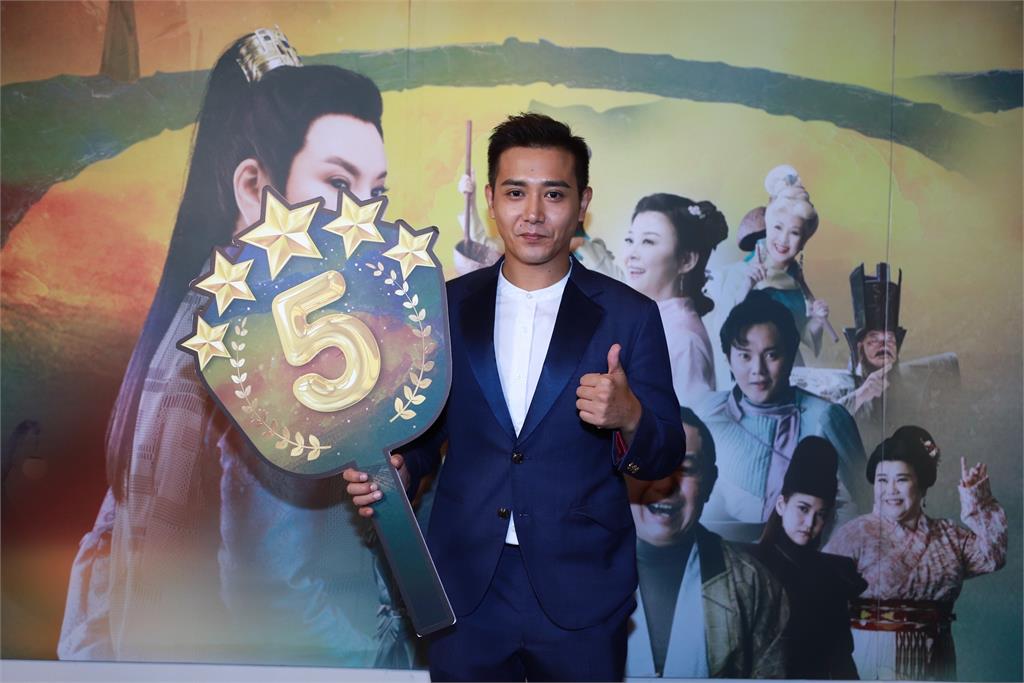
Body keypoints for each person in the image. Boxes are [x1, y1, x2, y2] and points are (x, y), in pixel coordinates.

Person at [58, 29, 401, 665]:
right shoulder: (264, 340)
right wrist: (382, 659)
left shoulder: (191, 312)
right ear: (252, 179)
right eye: (335, 177)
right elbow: (274, 589)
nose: (363, 217)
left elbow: (111, 550)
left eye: (375, 191)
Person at [344, 112, 684, 682]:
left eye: (554, 194)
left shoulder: (630, 315)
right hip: (467, 586)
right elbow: (426, 432)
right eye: (515, 192)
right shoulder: (445, 306)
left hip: (581, 589)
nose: (533, 213)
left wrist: (629, 416)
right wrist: (403, 469)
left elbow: (666, 453)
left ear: (582, 202)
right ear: (491, 201)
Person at [824, 426, 1007, 681]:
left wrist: (977, 499)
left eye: (901, 480)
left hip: (937, 658)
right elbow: (821, 598)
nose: (890, 490)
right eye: (882, 480)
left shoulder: (948, 536)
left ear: (921, 485)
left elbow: (993, 556)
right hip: (868, 656)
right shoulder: (853, 535)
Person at [625, 409, 788, 678]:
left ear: (710, 483)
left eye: (686, 469)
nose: (665, 486)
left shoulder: (753, 585)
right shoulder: (578, 574)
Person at [696, 291, 868, 543]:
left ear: (790, 355)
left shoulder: (826, 417)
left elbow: (863, 506)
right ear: (728, 360)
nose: (758, 370)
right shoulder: (705, 413)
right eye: (745, 356)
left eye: (771, 355)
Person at [792, 263, 960, 446]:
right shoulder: (841, 387)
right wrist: (862, 394)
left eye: (890, 340)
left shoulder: (915, 382)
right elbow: (824, 424)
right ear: (860, 347)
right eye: (873, 340)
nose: (884, 346)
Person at [748, 436, 866, 679]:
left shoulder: (834, 575)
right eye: (803, 508)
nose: (810, 522)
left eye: (820, 514)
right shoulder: (749, 566)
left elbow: (842, 659)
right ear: (781, 505)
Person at [709, 165, 831, 386]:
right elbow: (723, 335)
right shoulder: (737, 275)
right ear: (767, 227)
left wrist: (817, 320)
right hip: (749, 377)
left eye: (794, 233)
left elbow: (804, 337)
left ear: (803, 241)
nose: (783, 240)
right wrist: (747, 286)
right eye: (777, 228)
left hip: (789, 377)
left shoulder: (796, 281)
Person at [622, 193, 727, 407]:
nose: (631, 254)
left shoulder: (685, 341)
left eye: (648, 241)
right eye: (630, 240)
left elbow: (689, 425)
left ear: (686, 260)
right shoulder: (651, 319)